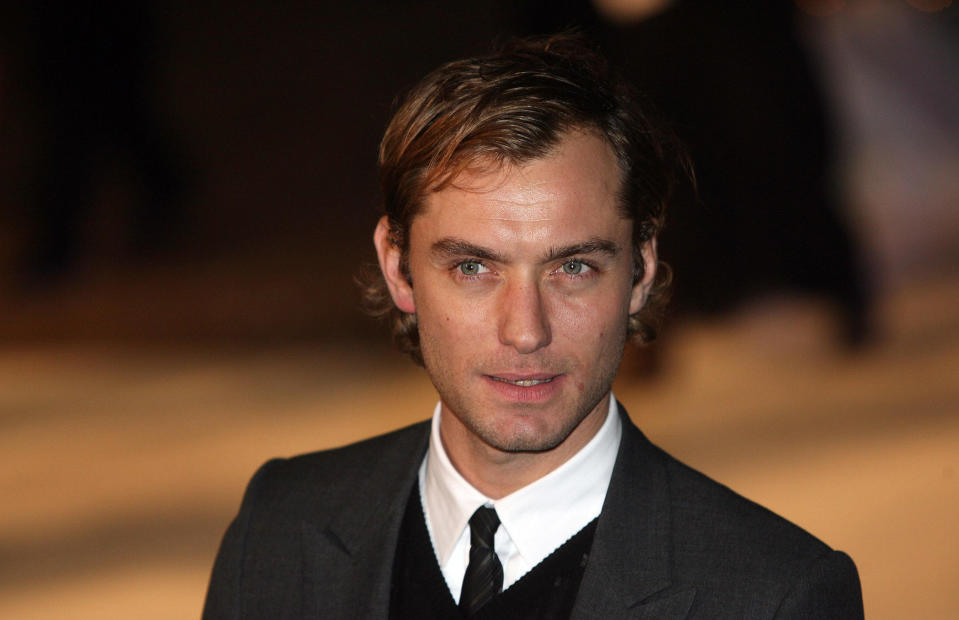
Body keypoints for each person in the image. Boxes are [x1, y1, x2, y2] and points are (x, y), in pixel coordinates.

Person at [203, 34, 863, 619]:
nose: (525, 331)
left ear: (639, 271)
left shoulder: (773, 596)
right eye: (473, 268)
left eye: (573, 267)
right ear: (398, 269)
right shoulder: (279, 526)